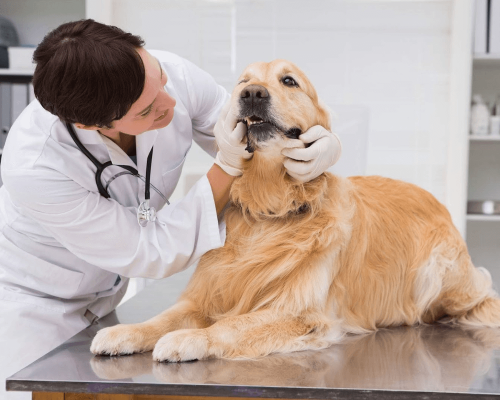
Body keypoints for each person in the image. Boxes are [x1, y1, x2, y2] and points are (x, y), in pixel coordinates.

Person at [0, 19, 341, 400]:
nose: (170, 103)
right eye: (147, 110)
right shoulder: (36, 167)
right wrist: (225, 166)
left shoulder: (168, 77)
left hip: (111, 296)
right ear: (91, 124)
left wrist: (324, 144)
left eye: (159, 78)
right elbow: (148, 250)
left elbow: (244, 131)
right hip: (41, 303)